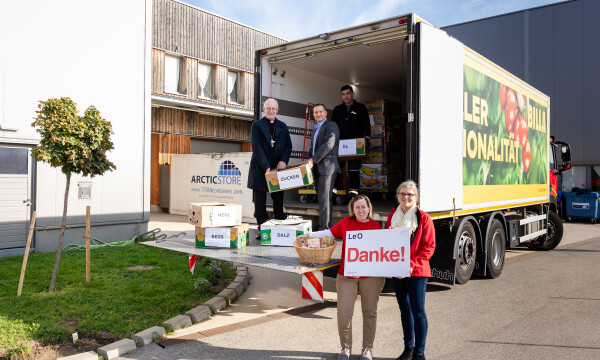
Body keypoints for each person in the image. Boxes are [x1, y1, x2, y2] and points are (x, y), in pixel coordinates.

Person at [299, 195, 384, 360]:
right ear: (353, 209)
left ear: (369, 208)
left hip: (371, 276)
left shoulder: (376, 227)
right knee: (344, 312)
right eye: (357, 207)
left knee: (369, 313)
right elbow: (329, 234)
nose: (360, 210)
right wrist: (310, 235)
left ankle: (367, 349)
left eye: (363, 207)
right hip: (347, 275)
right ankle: (345, 348)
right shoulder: (346, 222)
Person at [385, 180, 436, 360]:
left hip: (417, 271)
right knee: (404, 311)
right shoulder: (392, 216)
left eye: (410, 194)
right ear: (398, 195)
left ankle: (419, 353)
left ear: (416, 197)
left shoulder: (423, 218)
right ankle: (408, 348)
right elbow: (386, 243)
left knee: (418, 311)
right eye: (403, 193)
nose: (406, 197)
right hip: (397, 270)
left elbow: (429, 247)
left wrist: (411, 264)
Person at [247, 98, 292, 239]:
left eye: (273, 108)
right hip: (260, 168)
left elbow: (288, 146)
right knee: (259, 202)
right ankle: (262, 228)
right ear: (264, 109)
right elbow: (257, 147)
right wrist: (266, 166)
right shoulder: (257, 125)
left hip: (277, 170)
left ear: (277, 110)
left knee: (278, 201)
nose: (271, 111)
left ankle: (279, 228)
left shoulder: (283, 126)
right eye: (268, 108)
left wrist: (284, 161)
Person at [331, 85, 371, 197]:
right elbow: (332, 126)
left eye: (348, 93)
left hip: (356, 144)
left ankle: (353, 192)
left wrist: (367, 137)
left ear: (352, 94)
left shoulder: (360, 108)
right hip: (340, 143)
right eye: (343, 94)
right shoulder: (337, 110)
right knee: (337, 168)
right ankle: (333, 192)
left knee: (354, 169)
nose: (346, 96)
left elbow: (366, 124)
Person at [308, 103, 340, 230]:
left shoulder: (331, 125)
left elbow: (328, 144)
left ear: (326, 113)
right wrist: (309, 160)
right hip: (317, 167)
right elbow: (313, 148)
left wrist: (313, 160)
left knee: (325, 199)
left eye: (320, 111)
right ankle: (324, 227)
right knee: (321, 199)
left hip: (327, 168)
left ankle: (325, 229)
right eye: (316, 112)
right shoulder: (315, 128)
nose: (318, 114)